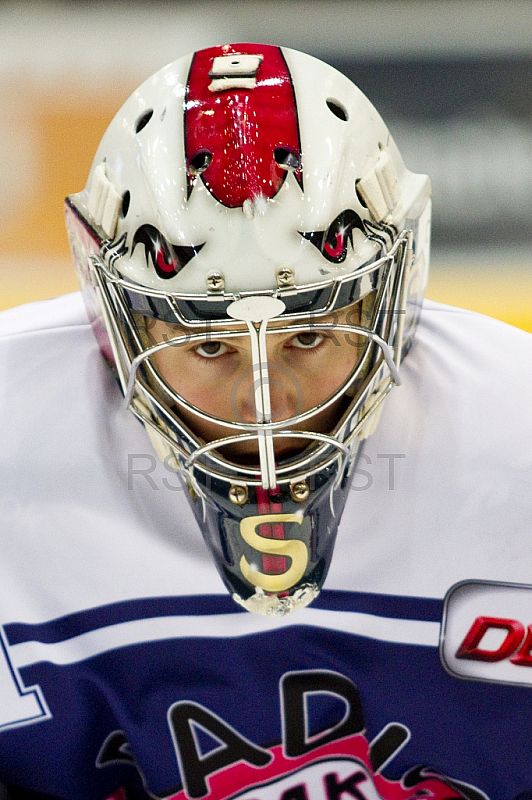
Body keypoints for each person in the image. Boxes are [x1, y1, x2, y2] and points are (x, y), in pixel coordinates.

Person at [0, 42, 531, 800]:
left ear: (395, 294)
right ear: (114, 317)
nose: (265, 401)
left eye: (309, 335)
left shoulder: (516, 439)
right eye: (209, 342)